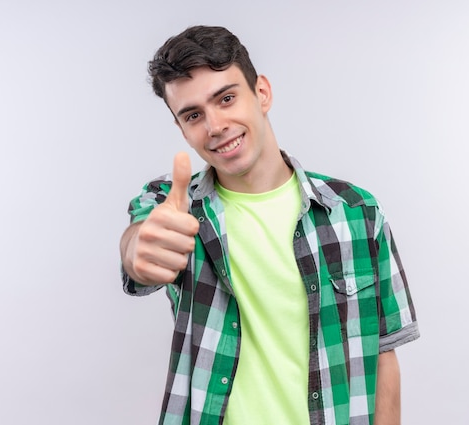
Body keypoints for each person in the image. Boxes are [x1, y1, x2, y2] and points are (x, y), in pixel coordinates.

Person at [119, 25, 419, 425]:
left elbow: (383, 354)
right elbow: (139, 243)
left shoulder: (356, 211)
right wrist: (138, 252)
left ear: (262, 92)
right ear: (181, 128)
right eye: (193, 115)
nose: (215, 126)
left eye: (226, 99)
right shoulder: (173, 209)